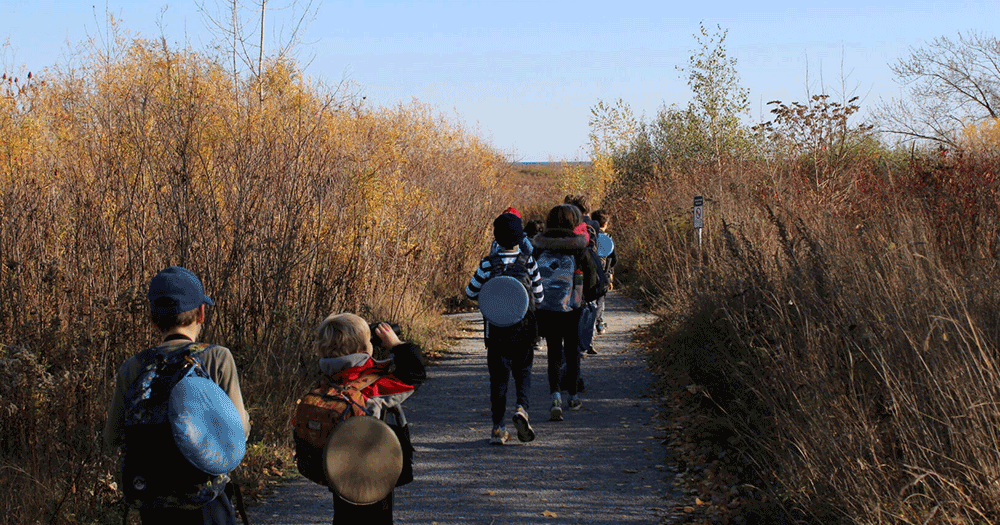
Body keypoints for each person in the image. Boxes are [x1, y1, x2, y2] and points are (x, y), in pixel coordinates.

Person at [104, 266, 251, 525]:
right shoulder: (216, 357)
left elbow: (112, 435)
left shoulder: (134, 366)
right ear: (202, 314)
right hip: (206, 500)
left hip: (152, 500)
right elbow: (238, 431)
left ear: (153, 319)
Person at [312, 313, 426, 524]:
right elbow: (414, 374)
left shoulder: (327, 378)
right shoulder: (371, 387)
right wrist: (397, 345)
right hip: (372, 470)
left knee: (344, 517)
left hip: (337, 470)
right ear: (363, 350)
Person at [466, 210, 544, 445]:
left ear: (495, 237)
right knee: (523, 373)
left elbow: (471, 292)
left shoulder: (488, 263)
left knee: (498, 379)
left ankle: (498, 428)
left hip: (496, 331)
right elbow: (539, 297)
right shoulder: (529, 261)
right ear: (521, 237)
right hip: (524, 331)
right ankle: (522, 408)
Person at [532, 204, 600, 421]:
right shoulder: (579, 247)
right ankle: (573, 395)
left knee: (553, 350)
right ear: (575, 222)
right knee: (572, 351)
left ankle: (555, 397)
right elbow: (591, 281)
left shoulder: (539, 247)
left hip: (546, 309)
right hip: (572, 307)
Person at [590, 209, 618, 335]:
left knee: (589, 299)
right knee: (600, 300)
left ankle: (588, 322)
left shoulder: (589, 237)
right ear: (605, 224)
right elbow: (614, 259)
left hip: (589, 273)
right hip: (603, 274)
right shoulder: (608, 240)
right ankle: (599, 323)